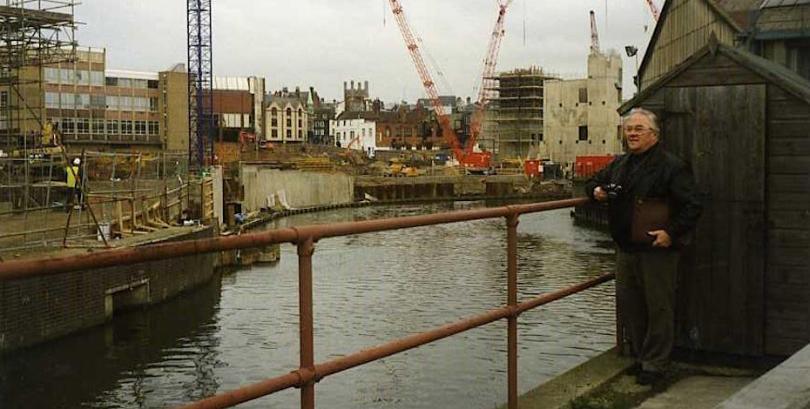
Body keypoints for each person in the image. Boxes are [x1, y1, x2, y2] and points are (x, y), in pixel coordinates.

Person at [584, 108, 702, 385]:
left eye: (638, 129)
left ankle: (655, 364)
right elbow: (592, 182)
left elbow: (693, 205)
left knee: (658, 306)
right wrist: (596, 192)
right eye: (628, 129)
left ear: (654, 134)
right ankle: (641, 356)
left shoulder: (672, 166)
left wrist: (670, 233)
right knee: (630, 304)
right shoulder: (620, 163)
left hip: (656, 248)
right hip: (626, 247)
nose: (632, 134)